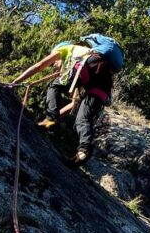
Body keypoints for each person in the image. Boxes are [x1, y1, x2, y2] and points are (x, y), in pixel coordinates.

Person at [11, 35, 123, 164]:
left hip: (88, 65)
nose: (56, 66)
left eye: (55, 64)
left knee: (54, 86)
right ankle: (83, 152)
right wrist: (47, 123)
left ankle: (51, 117)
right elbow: (73, 103)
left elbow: (38, 66)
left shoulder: (65, 49)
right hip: (104, 81)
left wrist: (15, 82)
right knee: (83, 118)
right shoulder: (91, 58)